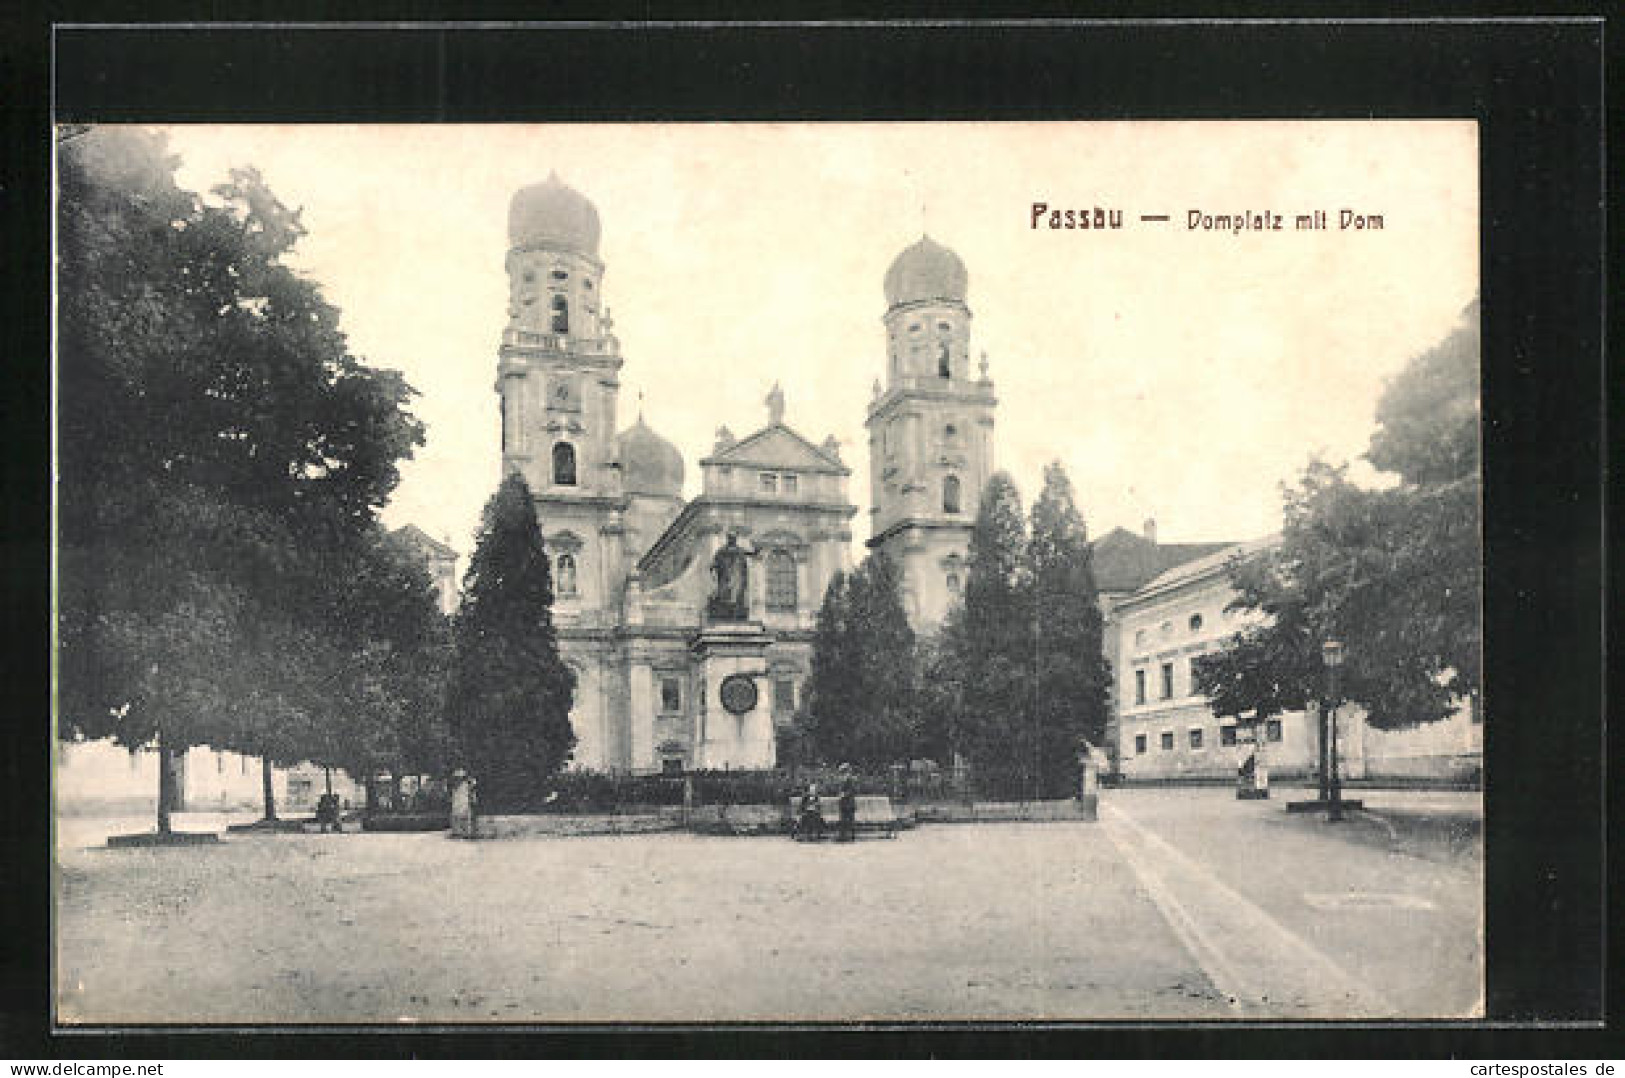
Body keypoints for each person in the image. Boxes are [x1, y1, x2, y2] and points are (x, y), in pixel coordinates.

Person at [449, 769, 478, 839]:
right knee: (457, 817)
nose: (458, 779)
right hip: (458, 802)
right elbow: (453, 794)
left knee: (465, 817)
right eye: (457, 778)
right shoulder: (455, 786)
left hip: (464, 802)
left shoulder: (467, 784)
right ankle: (457, 832)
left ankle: (467, 833)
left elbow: (472, 790)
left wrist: (473, 798)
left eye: (460, 778)